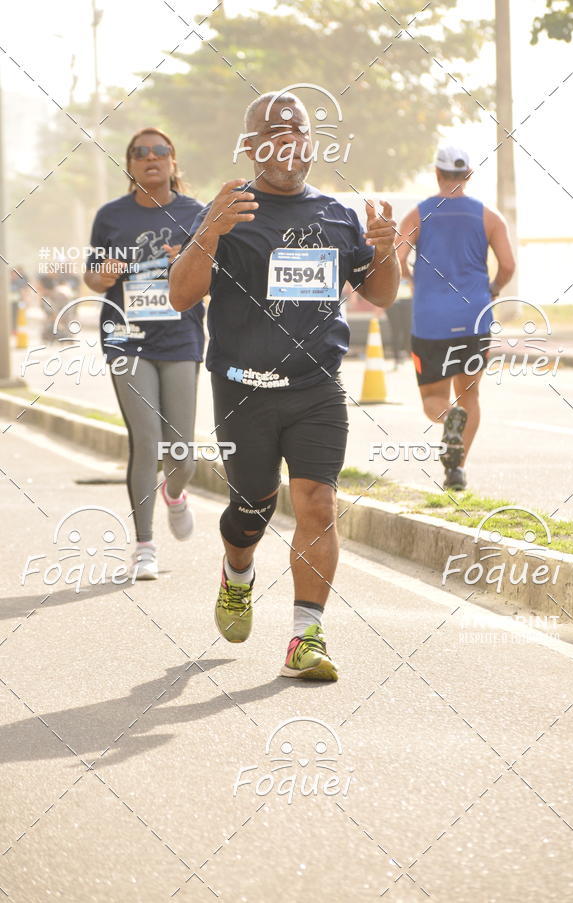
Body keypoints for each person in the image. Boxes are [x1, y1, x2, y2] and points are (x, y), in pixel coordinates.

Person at [170, 91, 399, 681]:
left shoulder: (336, 215)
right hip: (244, 387)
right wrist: (209, 233)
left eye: (296, 130)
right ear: (250, 146)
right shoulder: (229, 210)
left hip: (316, 387)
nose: (286, 140)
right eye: (272, 132)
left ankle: (306, 637)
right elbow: (181, 295)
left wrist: (386, 250)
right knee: (252, 507)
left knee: (318, 503)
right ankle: (237, 572)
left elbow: (380, 293)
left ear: (310, 143)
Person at [84, 128, 205, 579]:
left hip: (180, 338)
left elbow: (214, 277)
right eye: (140, 153)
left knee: (182, 454)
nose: (150, 158)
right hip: (126, 337)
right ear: (130, 165)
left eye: (159, 151)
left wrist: (186, 263)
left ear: (173, 161)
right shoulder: (111, 216)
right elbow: (93, 277)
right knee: (147, 440)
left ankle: (175, 493)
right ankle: (145, 546)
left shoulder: (196, 214)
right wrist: (103, 275)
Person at [397, 144, 516, 491]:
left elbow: (397, 258)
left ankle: (449, 418)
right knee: (470, 395)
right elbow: (508, 265)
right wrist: (493, 289)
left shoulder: (418, 215)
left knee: (433, 400)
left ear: (437, 173)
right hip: (474, 318)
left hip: (431, 322)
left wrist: (413, 280)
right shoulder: (489, 216)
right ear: (468, 175)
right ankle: (457, 471)